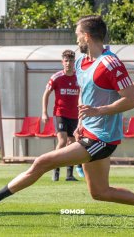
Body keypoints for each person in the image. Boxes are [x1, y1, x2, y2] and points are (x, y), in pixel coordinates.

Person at [0, 15, 134, 212]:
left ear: (87, 36)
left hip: (102, 139)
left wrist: (98, 111)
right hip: (89, 133)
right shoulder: (81, 62)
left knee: (43, 162)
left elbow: (130, 100)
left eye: (78, 35)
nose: (76, 39)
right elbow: (87, 94)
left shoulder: (110, 63)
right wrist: (82, 122)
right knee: (100, 192)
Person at [41, 49, 83, 181]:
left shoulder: (79, 77)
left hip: (75, 116)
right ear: (62, 62)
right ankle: (55, 171)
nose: (68, 63)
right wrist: (44, 112)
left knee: (72, 144)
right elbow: (46, 94)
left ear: (74, 62)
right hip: (60, 114)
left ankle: (69, 175)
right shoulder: (56, 77)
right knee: (63, 141)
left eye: (71, 60)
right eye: (66, 61)